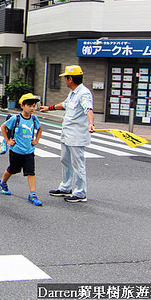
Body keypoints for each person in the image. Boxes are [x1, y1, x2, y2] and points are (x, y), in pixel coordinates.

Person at [40, 65, 95, 203]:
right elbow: (64, 105)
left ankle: (81, 192)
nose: (64, 80)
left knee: (78, 164)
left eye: (65, 78)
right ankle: (65, 187)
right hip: (67, 133)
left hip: (77, 135)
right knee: (65, 160)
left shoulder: (84, 93)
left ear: (70, 79)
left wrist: (91, 123)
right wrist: (49, 108)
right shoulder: (73, 92)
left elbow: (88, 109)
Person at [0, 93, 43, 206]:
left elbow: (40, 128)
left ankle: (32, 195)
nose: (32, 108)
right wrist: (7, 140)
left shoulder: (34, 118)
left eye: (34, 106)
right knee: (13, 169)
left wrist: (36, 140)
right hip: (16, 150)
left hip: (29, 151)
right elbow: (3, 127)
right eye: (29, 105)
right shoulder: (16, 118)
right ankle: (3, 183)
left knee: (31, 172)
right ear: (22, 106)